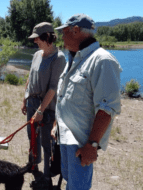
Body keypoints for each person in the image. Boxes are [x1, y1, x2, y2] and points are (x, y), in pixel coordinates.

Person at [52, 14, 122, 190]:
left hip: (81, 142)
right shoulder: (74, 58)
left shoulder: (102, 60)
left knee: (78, 187)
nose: (62, 37)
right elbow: (63, 96)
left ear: (76, 31)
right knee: (69, 180)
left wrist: (92, 145)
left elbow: (107, 108)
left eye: (64, 32)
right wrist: (56, 125)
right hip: (66, 136)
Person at [21, 22, 66, 189]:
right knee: (31, 137)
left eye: (37, 38)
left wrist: (40, 110)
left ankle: (46, 178)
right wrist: (25, 98)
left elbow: (54, 88)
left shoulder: (59, 58)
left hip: (46, 107)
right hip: (32, 102)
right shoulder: (36, 55)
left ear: (47, 37)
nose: (34, 41)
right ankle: (34, 166)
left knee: (46, 143)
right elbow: (29, 77)